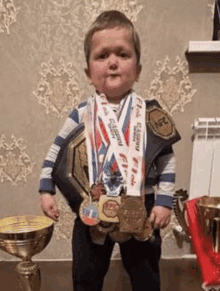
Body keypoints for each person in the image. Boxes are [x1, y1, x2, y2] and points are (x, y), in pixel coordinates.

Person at [39, 10, 180, 291]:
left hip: (142, 205)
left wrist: (164, 203)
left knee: (146, 274)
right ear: (89, 73)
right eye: (102, 56)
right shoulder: (81, 113)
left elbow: (167, 161)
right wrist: (46, 189)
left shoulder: (150, 114)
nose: (113, 63)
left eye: (123, 54)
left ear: (138, 69)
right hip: (91, 203)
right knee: (86, 273)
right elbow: (55, 151)